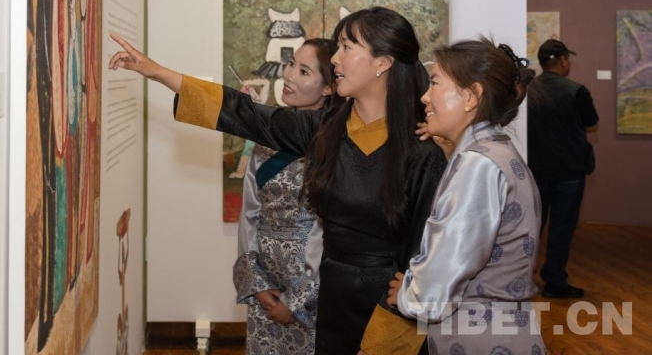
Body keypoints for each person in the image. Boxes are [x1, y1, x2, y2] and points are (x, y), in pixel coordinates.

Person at [109, 7, 447, 353]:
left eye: (347, 47)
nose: (336, 58)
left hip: (386, 309)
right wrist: (160, 73)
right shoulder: (327, 130)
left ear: (383, 62)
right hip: (332, 304)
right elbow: (247, 115)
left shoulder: (422, 151)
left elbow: (424, 254)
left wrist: (393, 330)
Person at [360, 39, 546, 355]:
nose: (424, 97)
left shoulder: (478, 163)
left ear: (471, 97)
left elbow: (444, 270)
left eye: (434, 84)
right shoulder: (494, 151)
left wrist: (408, 294)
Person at [234, 38, 343, 354]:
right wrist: (257, 283)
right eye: (292, 64)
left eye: (304, 71)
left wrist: (297, 299)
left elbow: (331, 230)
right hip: (266, 284)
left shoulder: (335, 144)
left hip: (314, 287)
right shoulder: (268, 135)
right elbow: (250, 213)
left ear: (328, 88)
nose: (289, 75)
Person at [527, 38, 598, 299]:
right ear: (564, 60)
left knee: (531, 227)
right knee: (562, 227)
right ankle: (555, 281)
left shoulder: (528, 90)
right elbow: (592, 125)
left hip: (535, 169)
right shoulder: (577, 91)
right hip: (569, 170)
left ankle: (523, 277)